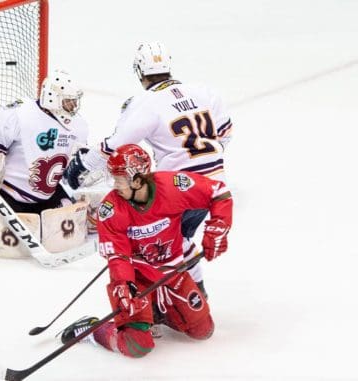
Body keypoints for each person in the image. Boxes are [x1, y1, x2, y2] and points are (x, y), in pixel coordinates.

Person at [63, 41, 233, 296]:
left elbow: (118, 143)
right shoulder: (204, 92)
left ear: (140, 71)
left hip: (177, 189)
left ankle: (182, 295)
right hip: (214, 181)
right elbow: (225, 134)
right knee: (181, 237)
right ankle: (193, 292)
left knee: (159, 240)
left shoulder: (145, 103)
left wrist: (84, 164)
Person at [59, 144, 233, 358]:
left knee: (203, 330)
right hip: (136, 277)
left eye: (120, 180)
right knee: (137, 346)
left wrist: (218, 228)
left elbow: (219, 192)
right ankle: (93, 330)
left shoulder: (172, 186)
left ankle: (158, 313)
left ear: (138, 179)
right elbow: (118, 256)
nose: (115, 186)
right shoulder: (111, 209)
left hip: (172, 270)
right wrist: (124, 284)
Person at [0, 69, 88, 214]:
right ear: (52, 97)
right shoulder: (20, 113)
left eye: (75, 100)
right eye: (68, 101)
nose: (73, 106)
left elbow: (72, 169)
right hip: (8, 192)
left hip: (46, 194)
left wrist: (82, 171)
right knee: (2, 231)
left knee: (72, 220)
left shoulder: (78, 124)